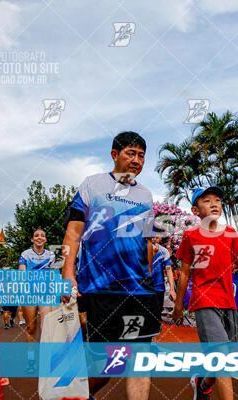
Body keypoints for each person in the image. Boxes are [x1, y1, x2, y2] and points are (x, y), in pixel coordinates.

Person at [61, 131, 159, 400]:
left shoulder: (146, 195)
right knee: (109, 364)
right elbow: (73, 233)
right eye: (131, 153)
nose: (137, 160)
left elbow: (148, 241)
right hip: (101, 288)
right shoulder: (92, 185)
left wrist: (148, 274)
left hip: (139, 289)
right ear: (115, 155)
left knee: (138, 359)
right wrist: (68, 274)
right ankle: (80, 394)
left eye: (141, 155)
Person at [171, 186, 238, 400]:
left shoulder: (230, 233)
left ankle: (202, 383)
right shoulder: (189, 236)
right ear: (195, 210)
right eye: (206, 201)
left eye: (218, 200)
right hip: (204, 301)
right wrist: (178, 306)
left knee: (229, 355)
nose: (214, 204)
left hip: (228, 301)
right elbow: (184, 274)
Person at [19, 228, 56, 373]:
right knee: (31, 328)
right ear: (32, 239)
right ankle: (31, 360)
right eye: (36, 236)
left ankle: (46, 360)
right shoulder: (25, 254)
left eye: (42, 236)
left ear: (45, 240)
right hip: (29, 293)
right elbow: (22, 273)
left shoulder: (51, 255)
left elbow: (53, 275)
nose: (39, 238)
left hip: (45, 293)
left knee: (46, 327)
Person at [151, 235, 177, 318]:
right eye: (153, 236)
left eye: (158, 237)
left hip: (159, 287)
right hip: (144, 287)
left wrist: (172, 289)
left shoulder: (164, 251)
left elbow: (169, 270)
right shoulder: (141, 249)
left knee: (156, 315)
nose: (155, 238)